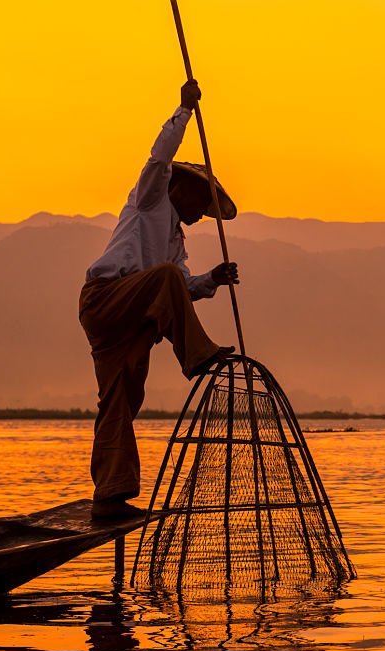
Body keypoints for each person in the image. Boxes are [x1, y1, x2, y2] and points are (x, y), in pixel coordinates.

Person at [79, 80, 239, 519]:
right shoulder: (151, 200)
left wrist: (213, 279)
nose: (200, 215)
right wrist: (184, 109)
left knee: (121, 401)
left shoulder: (175, 244)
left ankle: (111, 492)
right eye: (200, 204)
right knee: (165, 278)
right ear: (181, 189)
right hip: (107, 300)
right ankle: (197, 357)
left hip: (132, 322)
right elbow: (159, 157)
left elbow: (181, 289)